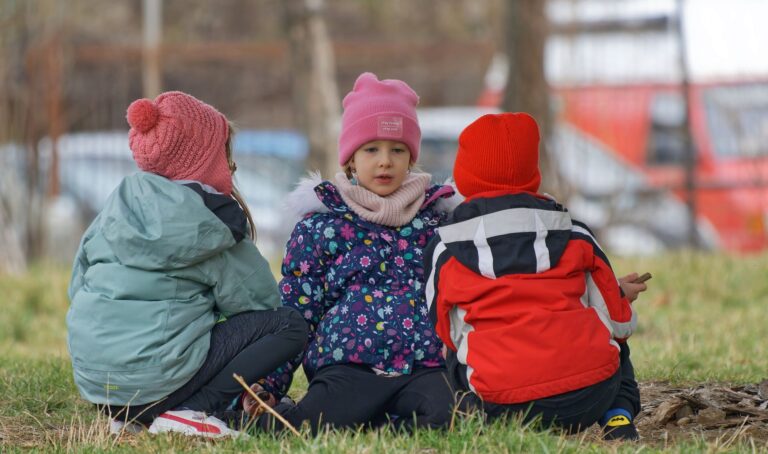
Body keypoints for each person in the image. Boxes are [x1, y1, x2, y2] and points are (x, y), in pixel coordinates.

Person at [66, 91, 307, 438]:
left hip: (100, 385)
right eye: (228, 157)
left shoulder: (114, 210)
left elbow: (78, 285)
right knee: (288, 325)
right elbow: (261, 302)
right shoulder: (210, 221)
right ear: (210, 160)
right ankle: (192, 410)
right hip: (155, 380)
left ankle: (135, 416)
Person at [254, 72, 462, 434]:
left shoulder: (434, 224)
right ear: (350, 159)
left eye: (397, 150)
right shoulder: (323, 227)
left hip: (423, 366)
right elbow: (296, 310)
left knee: (449, 417)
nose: (385, 162)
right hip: (350, 364)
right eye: (371, 149)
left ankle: (381, 424)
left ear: (411, 158)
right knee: (315, 425)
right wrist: (270, 384)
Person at [425, 112, 646, 441]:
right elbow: (621, 322)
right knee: (616, 341)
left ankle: (475, 425)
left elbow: (444, 329)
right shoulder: (574, 233)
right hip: (589, 396)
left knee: (454, 354)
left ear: (464, 175)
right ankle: (618, 417)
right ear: (533, 172)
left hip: (502, 407)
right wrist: (618, 294)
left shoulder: (444, 248)